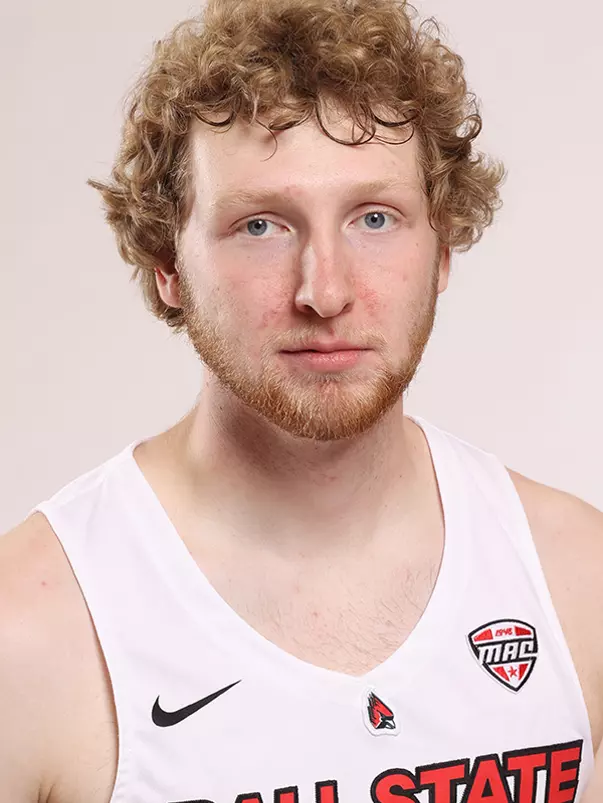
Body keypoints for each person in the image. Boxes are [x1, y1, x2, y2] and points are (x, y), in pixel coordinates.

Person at [1, 0, 601, 800]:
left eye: (375, 217)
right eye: (261, 226)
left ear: (442, 248)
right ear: (166, 264)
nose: (325, 290)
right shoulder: (32, 636)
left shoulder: (576, 578)